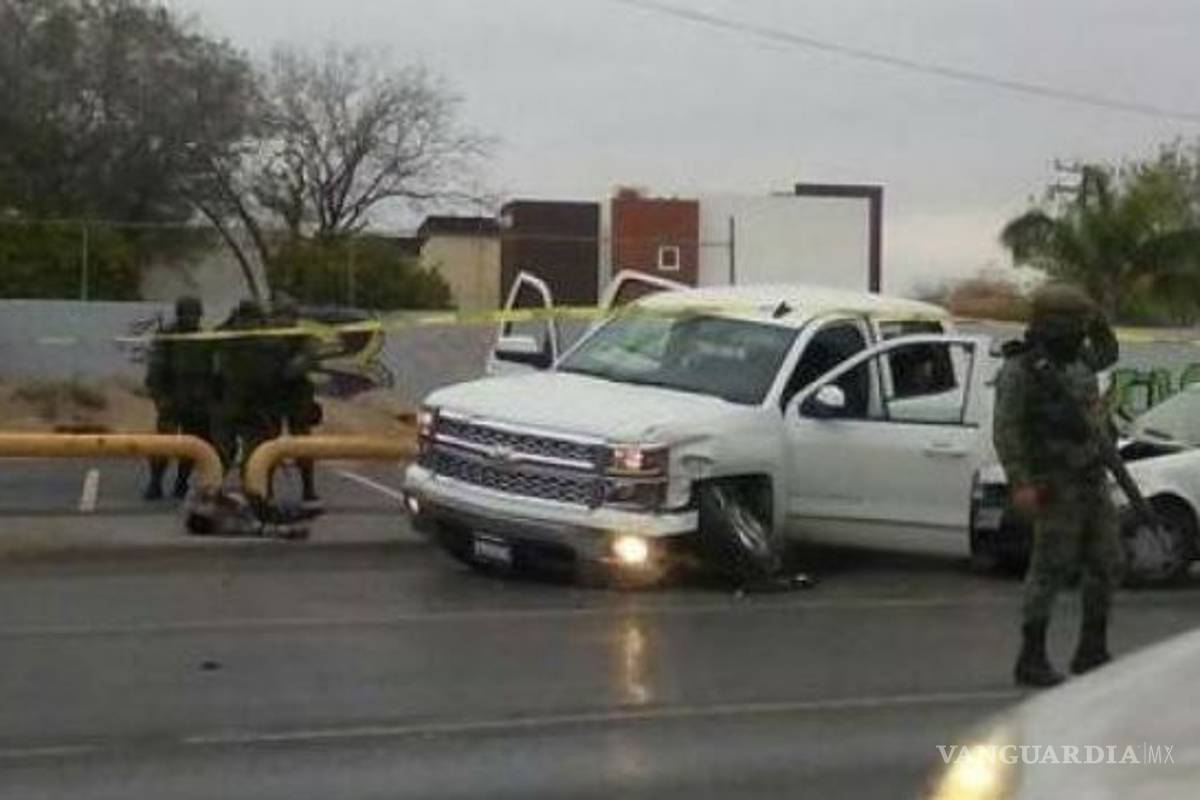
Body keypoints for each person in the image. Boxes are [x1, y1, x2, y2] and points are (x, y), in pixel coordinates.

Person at [992, 282, 1123, 688]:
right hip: (1054, 481)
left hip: (1091, 477)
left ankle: (1092, 650)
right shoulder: (1022, 370)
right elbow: (1006, 430)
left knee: (1106, 562)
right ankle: (1030, 657)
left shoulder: (1080, 360)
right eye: (1075, 324)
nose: (1082, 333)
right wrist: (1021, 483)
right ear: (1052, 325)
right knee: (1049, 569)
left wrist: (1096, 310)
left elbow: (1109, 351)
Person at [144, 296, 216, 500]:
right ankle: (155, 482)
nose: (192, 318)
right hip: (172, 399)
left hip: (197, 402)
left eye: (195, 314)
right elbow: (155, 371)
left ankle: (181, 482)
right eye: (188, 314)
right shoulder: (168, 338)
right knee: (163, 445)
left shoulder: (204, 339)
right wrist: (160, 398)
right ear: (180, 314)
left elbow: (213, 369)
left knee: (192, 446)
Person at [212, 300, 281, 480]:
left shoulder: (268, 342)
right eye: (244, 319)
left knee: (257, 455)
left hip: (258, 404)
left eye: (250, 320)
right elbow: (215, 336)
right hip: (231, 401)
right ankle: (211, 491)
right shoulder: (228, 338)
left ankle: (255, 491)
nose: (247, 324)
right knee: (221, 453)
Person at [270, 297, 323, 508]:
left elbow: (308, 359)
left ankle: (308, 488)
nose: (282, 320)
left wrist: (285, 369)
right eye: (279, 315)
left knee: (302, 444)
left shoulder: (303, 338)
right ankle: (265, 487)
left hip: (296, 395)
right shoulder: (268, 338)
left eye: (287, 315)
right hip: (273, 394)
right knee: (268, 442)